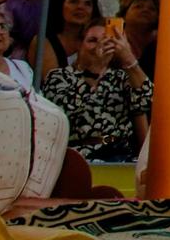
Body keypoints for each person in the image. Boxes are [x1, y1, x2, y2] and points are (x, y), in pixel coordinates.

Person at [39, 22, 151, 160]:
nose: (100, 46)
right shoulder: (59, 76)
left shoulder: (121, 77)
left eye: (106, 41)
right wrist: (95, 69)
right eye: (92, 41)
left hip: (119, 157)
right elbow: (68, 110)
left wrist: (129, 59)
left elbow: (149, 101)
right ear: (79, 45)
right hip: (78, 157)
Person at [44, 0, 102, 69]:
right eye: (74, 1)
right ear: (60, 5)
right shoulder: (44, 42)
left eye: (87, 4)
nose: (81, 7)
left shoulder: (96, 41)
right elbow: (52, 80)